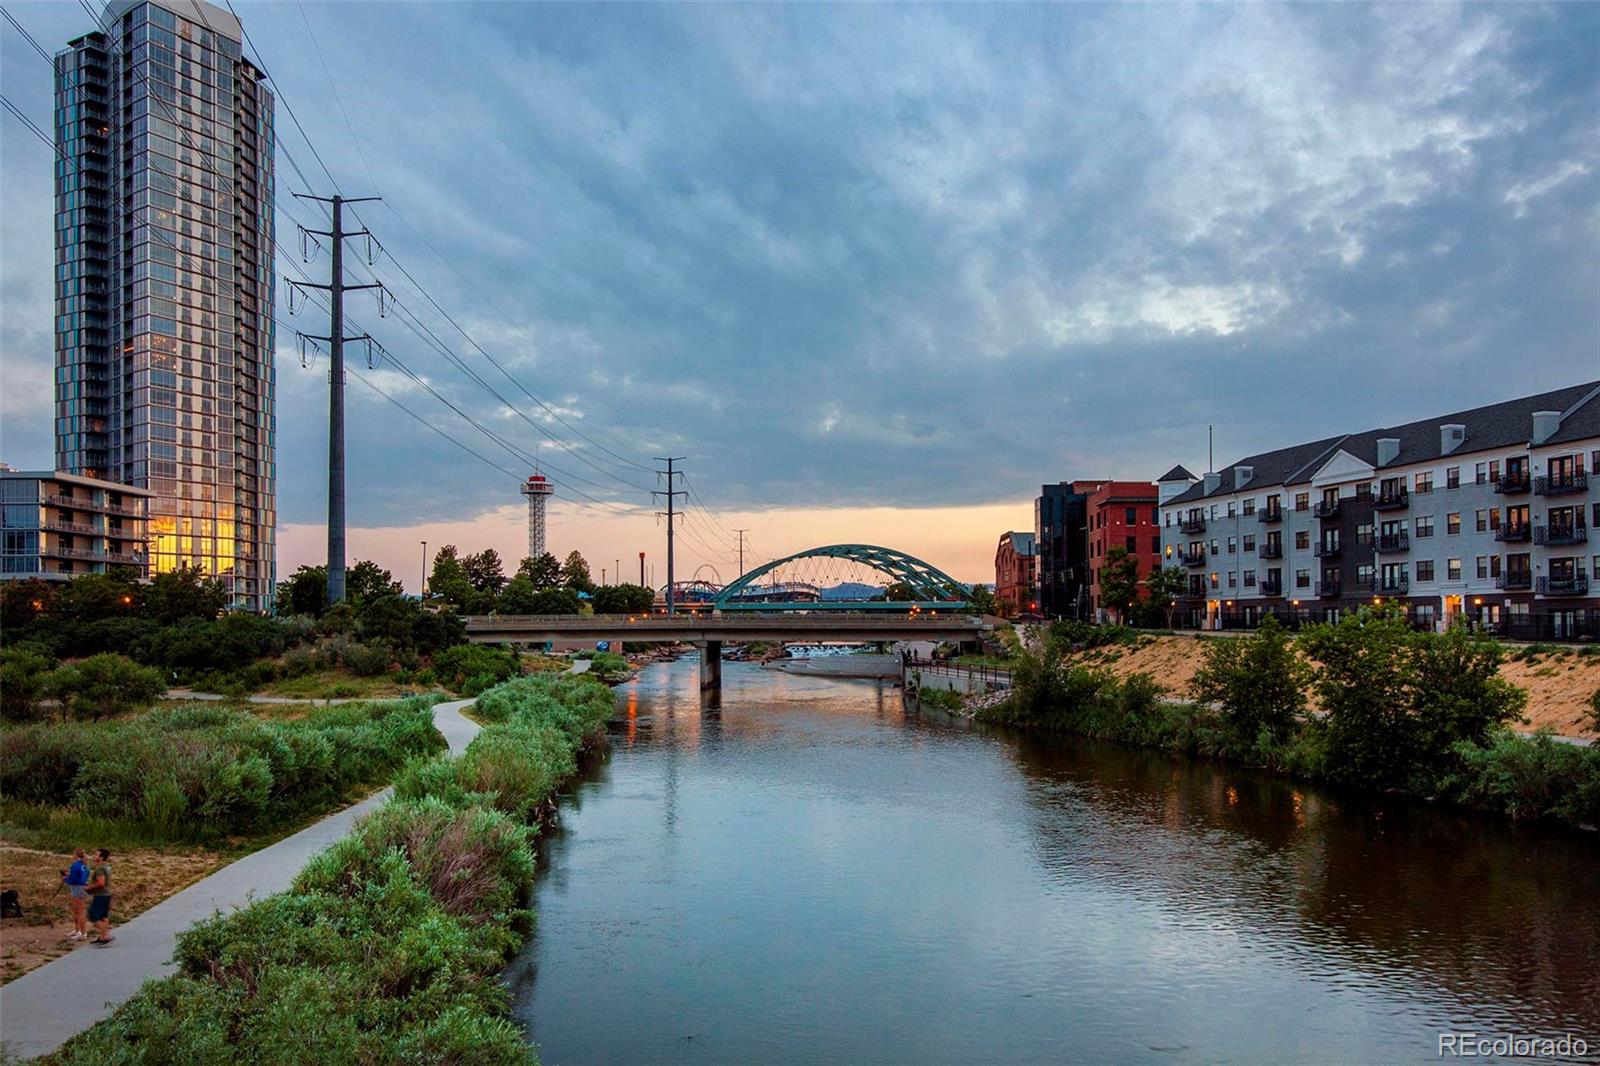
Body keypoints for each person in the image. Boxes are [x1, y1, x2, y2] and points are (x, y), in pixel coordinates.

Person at [61, 848, 90, 941]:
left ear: (76, 855)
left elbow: (73, 880)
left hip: (77, 888)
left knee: (79, 911)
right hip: (82, 887)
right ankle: (78, 930)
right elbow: (84, 875)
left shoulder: (75, 865)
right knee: (76, 910)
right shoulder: (84, 865)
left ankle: (83, 933)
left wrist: (65, 879)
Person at [86, 848, 113, 945]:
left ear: (101, 857)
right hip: (107, 893)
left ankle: (105, 935)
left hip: (101, 895)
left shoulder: (100, 868)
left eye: (96, 854)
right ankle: (103, 937)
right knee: (103, 916)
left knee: (92, 915)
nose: (94, 856)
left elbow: (101, 883)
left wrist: (89, 888)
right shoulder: (107, 866)